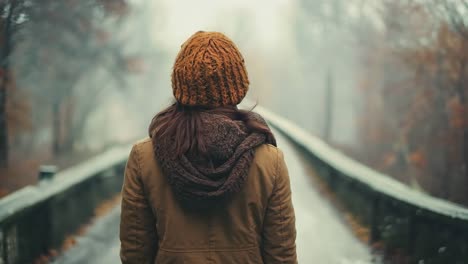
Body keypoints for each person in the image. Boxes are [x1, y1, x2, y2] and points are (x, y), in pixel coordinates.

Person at [120, 31, 297, 264]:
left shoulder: (145, 157)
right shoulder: (269, 160)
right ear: (237, 86)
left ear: (181, 84)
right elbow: (281, 255)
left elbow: (135, 253)